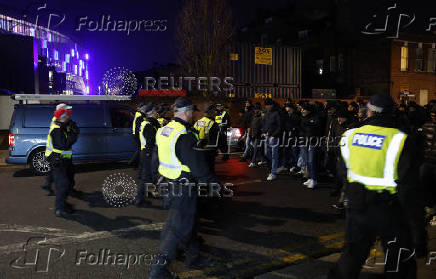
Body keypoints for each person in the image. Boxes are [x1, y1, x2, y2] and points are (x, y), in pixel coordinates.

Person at [328, 93, 425, 279]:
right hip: (388, 207)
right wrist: (417, 232)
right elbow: (410, 190)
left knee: (352, 255)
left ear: (369, 112)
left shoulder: (350, 135)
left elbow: (342, 171)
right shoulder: (400, 139)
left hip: (356, 205)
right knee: (399, 260)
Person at [149, 97, 218, 279]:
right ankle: (158, 272)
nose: (194, 115)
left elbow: (155, 157)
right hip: (182, 188)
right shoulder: (184, 135)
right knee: (177, 229)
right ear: (187, 112)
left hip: (168, 184)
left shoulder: (164, 130)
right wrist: (213, 183)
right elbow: (198, 166)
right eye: (192, 112)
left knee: (190, 222)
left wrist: (155, 179)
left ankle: (193, 257)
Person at [45, 104, 79, 218]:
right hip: (58, 160)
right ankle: (59, 209)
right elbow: (63, 145)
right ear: (60, 117)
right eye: (65, 116)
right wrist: (74, 134)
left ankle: (63, 204)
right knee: (62, 185)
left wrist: (71, 128)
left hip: (63, 159)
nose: (68, 117)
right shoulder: (56, 129)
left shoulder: (61, 124)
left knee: (66, 182)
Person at [136, 103, 161, 207]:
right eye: (156, 111)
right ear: (151, 113)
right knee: (146, 177)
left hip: (145, 152)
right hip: (148, 153)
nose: (157, 113)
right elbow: (150, 142)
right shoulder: (150, 126)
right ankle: (139, 199)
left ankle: (148, 193)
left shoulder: (145, 123)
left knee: (148, 176)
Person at [299, 102, 320, 189]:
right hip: (305, 141)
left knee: (311, 161)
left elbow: (315, 128)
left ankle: (314, 179)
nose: (302, 110)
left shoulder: (315, 117)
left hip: (313, 142)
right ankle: (310, 178)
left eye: (304, 109)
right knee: (307, 161)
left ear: (309, 110)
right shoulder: (303, 117)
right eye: (302, 109)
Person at [193, 104, 219, 173]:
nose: (215, 113)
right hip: (209, 149)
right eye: (214, 111)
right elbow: (216, 139)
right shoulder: (212, 123)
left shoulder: (197, 122)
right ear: (210, 112)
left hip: (197, 148)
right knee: (209, 168)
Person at [262, 98, 282, 181]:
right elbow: (265, 123)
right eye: (266, 105)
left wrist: (274, 135)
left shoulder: (276, 113)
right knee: (267, 153)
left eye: (269, 105)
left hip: (274, 137)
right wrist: (264, 131)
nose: (267, 106)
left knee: (274, 155)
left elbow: (280, 126)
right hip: (267, 136)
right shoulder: (266, 113)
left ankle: (273, 172)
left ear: (272, 105)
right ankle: (276, 165)